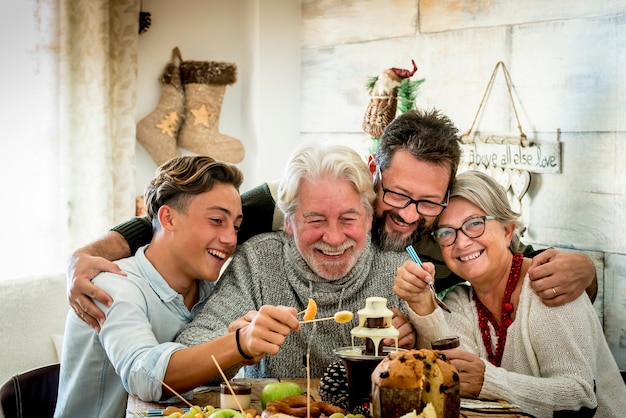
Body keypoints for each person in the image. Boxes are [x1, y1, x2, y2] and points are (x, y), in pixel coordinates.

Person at [67, 108, 597, 333]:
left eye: (427, 203)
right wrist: (87, 255)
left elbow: (511, 256)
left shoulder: (445, 226)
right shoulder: (287, 202)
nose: (409, 215)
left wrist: (587, 272)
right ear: (374, 176)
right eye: (397, 196)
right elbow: (181, 217)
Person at [54, 156, 299, 417]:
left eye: (237, 226)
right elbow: (144, 378)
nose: (230, 239)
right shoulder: (113, 286)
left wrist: (236, 347)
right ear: (168, 219)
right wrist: (238, 343)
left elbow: (302, 199)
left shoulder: (209, 289)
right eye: (216, 220)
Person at [393, 170, 626, 417]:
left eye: (475, 223)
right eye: (447, 232)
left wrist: (490, 381)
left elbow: (579, 398)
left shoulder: (550, 284)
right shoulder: (460, 302)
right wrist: (421, 304)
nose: (461, 243)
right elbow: (453, 379)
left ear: (507, 231)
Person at [174, 144, 413, 380]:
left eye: (348, 219)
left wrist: (414, 341)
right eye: (315, 220)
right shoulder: (258, 262)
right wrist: (238, 345)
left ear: (369, 219)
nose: (333, 237)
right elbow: (188, 349)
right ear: (289, 222)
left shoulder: (398, 267)